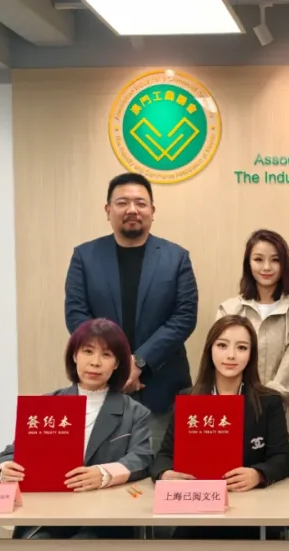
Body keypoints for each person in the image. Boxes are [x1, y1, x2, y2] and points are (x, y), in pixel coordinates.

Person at [0, 318, 153, 551]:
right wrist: (4, 469)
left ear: (118, 363)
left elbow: (143, 458)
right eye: (87, 351)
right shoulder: (47, 404)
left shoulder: (134, 412)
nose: (95, 362)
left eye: (106, 354)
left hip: (103, 523)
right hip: (46, 519)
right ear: (74, 357)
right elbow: (10, 452)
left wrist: (104, 473)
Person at [151, 315, 289, 551]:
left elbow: (282, 457)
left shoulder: (267, 401)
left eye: (242, 347)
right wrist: (166, 473)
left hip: (247, 513)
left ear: (251, 355)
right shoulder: (188, 398)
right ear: (210, 350)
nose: (231, 355)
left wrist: (258, 473)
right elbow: (163, 456)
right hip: (197, 510)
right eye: (223, 345)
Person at [64, 172, 198, 450]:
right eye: (122, 202)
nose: (132, 210)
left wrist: (138, 362)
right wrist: (114, 362)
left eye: (140, 203)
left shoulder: (176, 258)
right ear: (108, 210)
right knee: (101, 465)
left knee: (160, 465)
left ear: (152, 211)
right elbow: (77, 315)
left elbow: (184, 317)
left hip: (162, 389)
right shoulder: (84, 257)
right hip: (101, 383)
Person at [217, 229, 289, 455]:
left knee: (279, 472)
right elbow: (222, 361)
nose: (266, 267)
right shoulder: (229, 309)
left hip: (284, 413)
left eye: (275, 260)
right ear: (248, 263)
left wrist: (264, 402)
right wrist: (246, 403)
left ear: (284, 264)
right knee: (236, 474)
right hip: (236, 413)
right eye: (258, 259)